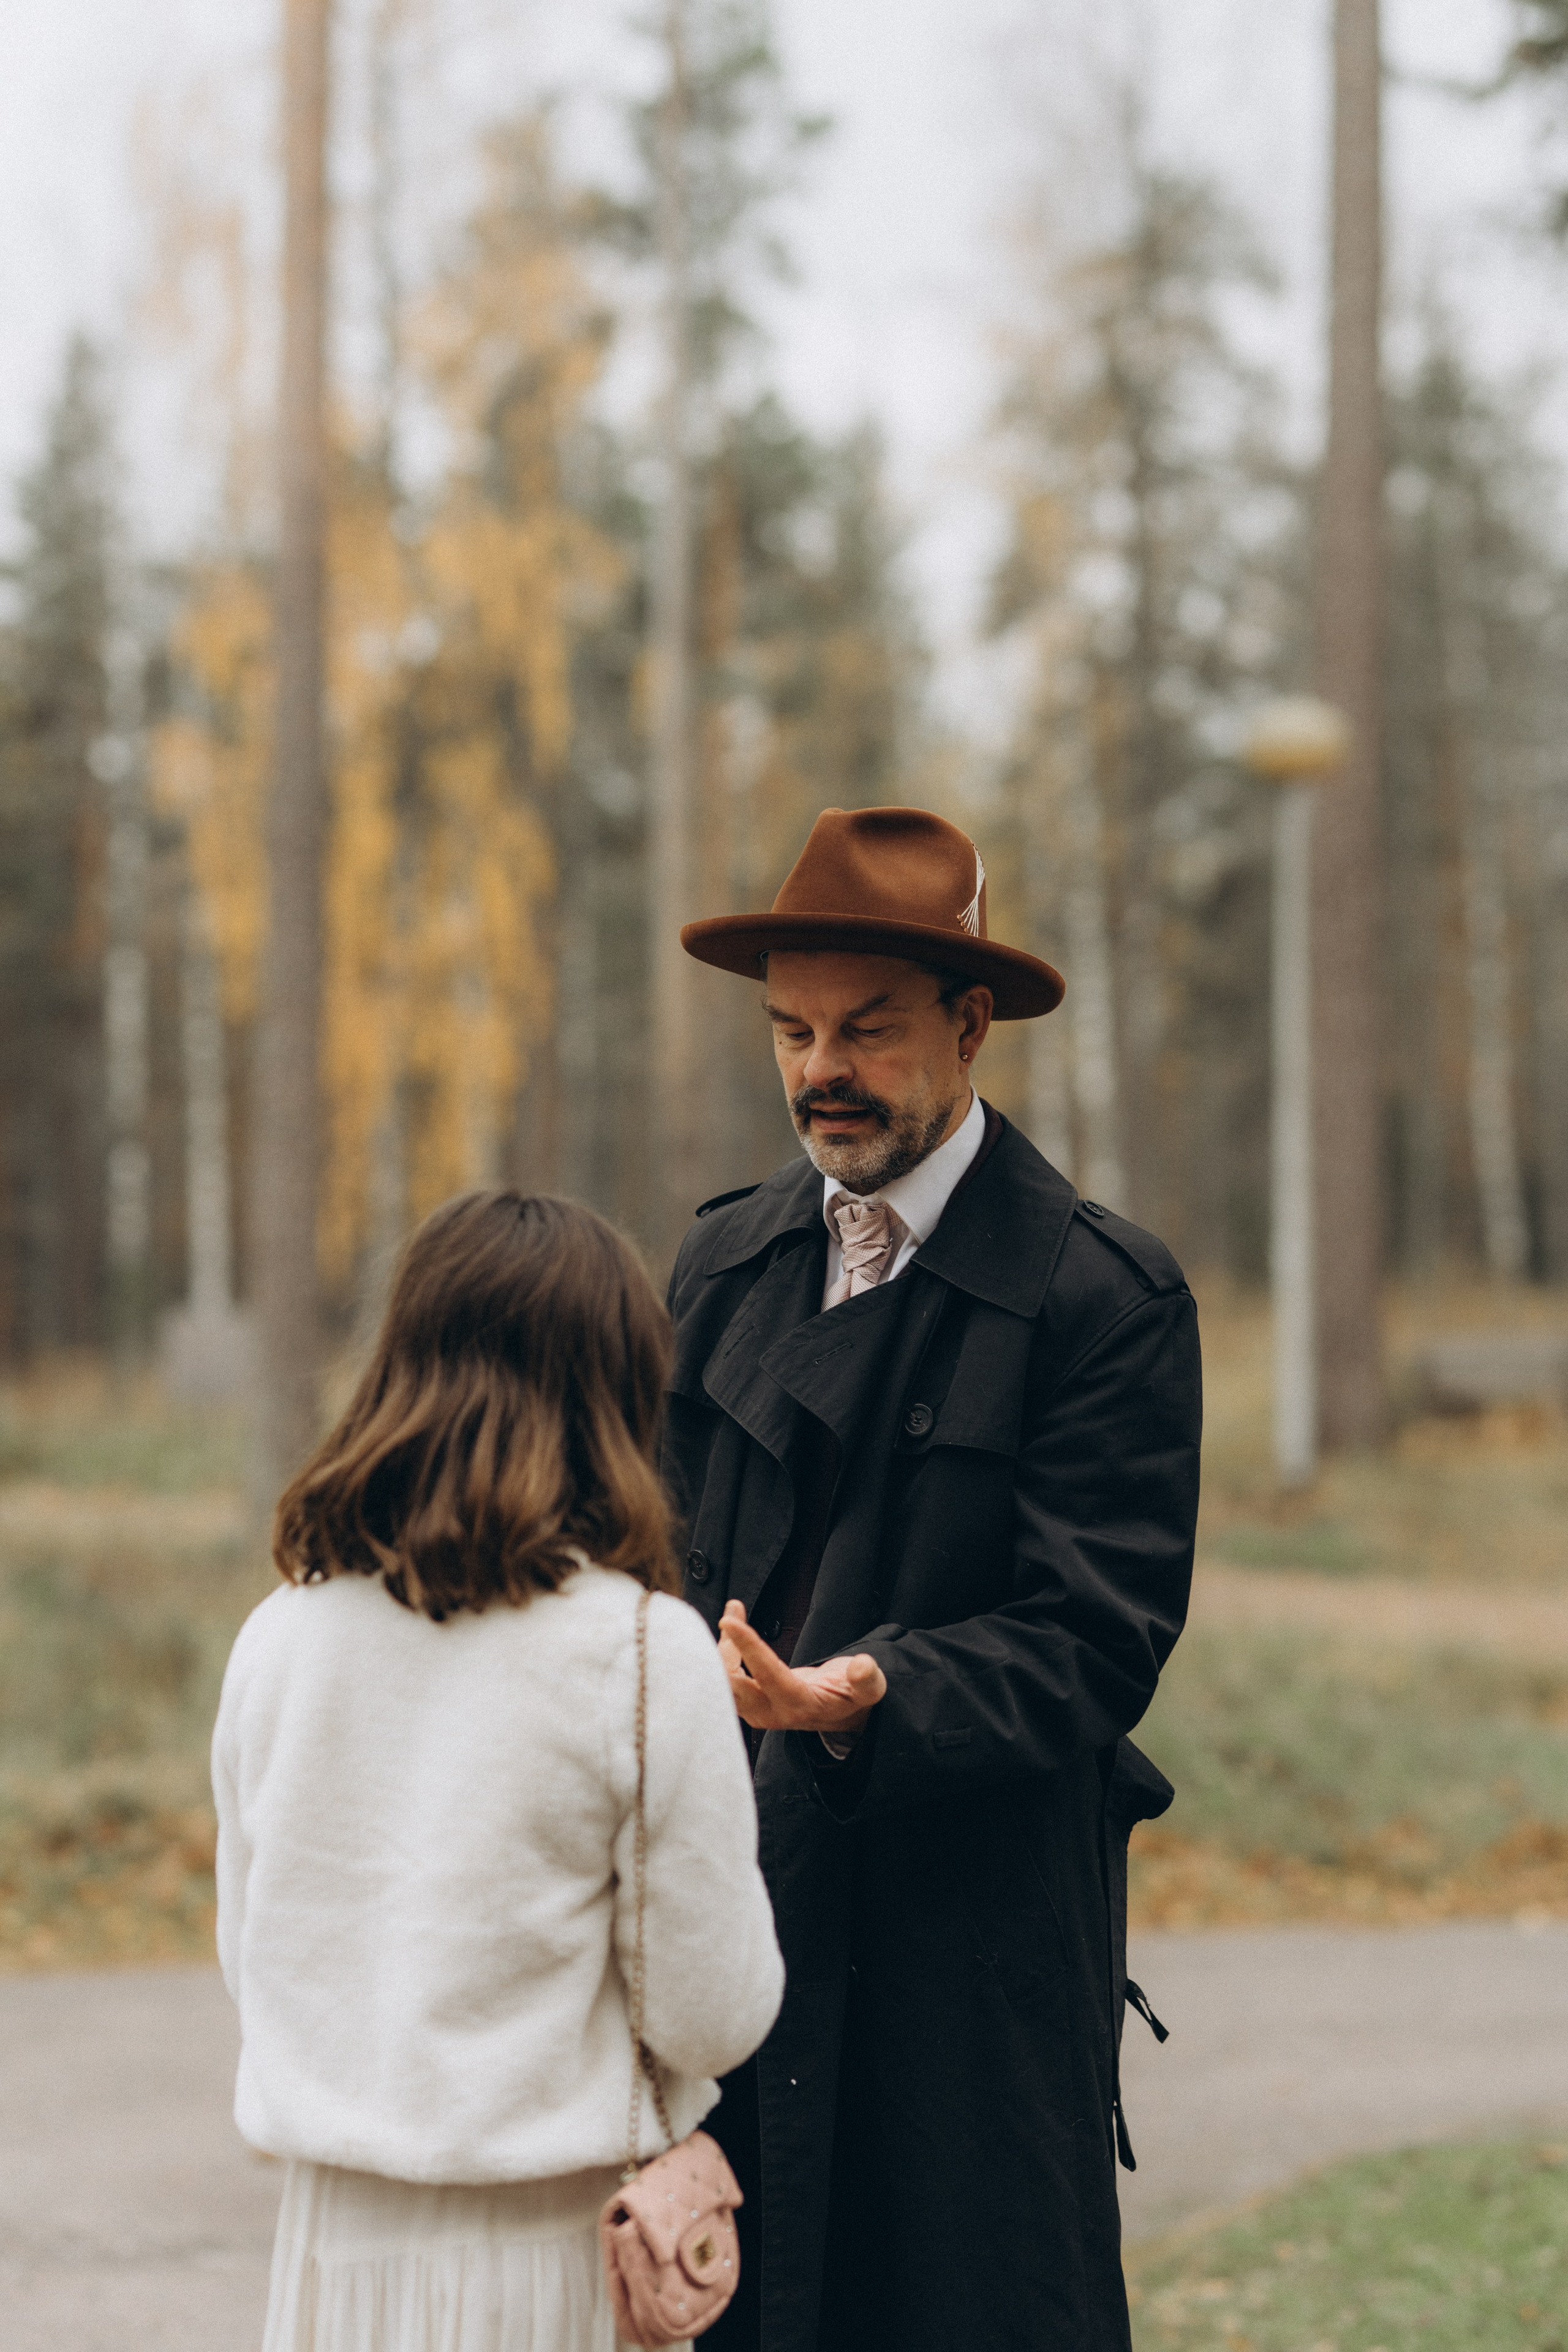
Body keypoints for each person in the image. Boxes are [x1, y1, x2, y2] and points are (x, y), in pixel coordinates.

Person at [663, 804, 1202, 2352]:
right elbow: (643, 1566)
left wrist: (867, 1695)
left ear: (971, 1026)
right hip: (739, 1929)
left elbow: (1094, 1638)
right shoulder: (718, 1266)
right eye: (791, 1032)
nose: (819, 1070)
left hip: (967, 1961)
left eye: (867, 1031)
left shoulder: (1103, 1297)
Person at [213, 1191, 785, 2352]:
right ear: (617, 1392)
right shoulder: (642, 1649)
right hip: (559, 2254)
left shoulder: (280, 1635)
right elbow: (711, 2013)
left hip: (329, 2249)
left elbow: (255, 1949)